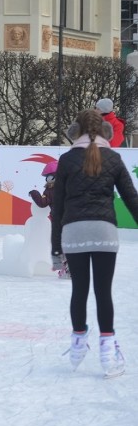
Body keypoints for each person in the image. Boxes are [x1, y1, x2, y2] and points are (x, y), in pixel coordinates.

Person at [51, 109, 138, 378]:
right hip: (104, 231)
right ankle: (108, 348)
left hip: (74, 231)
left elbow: (58, 206)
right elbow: (132, 199)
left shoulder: (66, 160)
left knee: (79, 289)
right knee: (103, 292)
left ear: (74, 130)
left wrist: (56, 248)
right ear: (106, 132)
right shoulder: (113, 157)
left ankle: (78, 341)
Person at [29, 160, 69, 278]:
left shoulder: (50, 190)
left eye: (49, 177)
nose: (47, 180)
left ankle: (67, 267)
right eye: (46, 177)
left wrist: (34, 193)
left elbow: (42, 203)